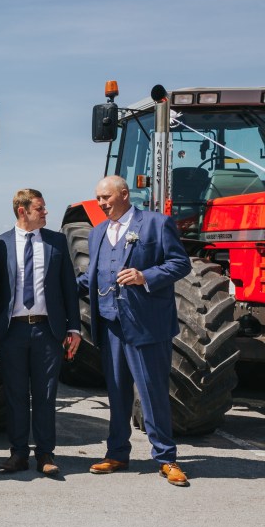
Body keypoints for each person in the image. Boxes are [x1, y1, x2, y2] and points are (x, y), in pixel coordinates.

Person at [77, 176, 192, 486]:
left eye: (106, 197)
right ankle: (117, 453)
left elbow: (180, 263)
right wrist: (54, 290)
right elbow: (92, 277)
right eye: (98, 198)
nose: (101, 203)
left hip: (146, 324)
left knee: (153, 392)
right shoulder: (98, 232)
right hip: (111, 326)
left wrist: (145, 276)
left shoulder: (156, 224)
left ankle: (166, 459)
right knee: (117, 393)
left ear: (124, 194)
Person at [0, 189, 81, 475]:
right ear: (22, 211)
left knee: (45, 395)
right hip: (12, 332)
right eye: (39, 208)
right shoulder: (0, 244)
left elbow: (69, 287)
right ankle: (18, 454)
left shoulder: (56, 242)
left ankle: (45, 454)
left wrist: (74, 327)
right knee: (15, 396)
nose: (45, 212)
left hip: (47, 331)